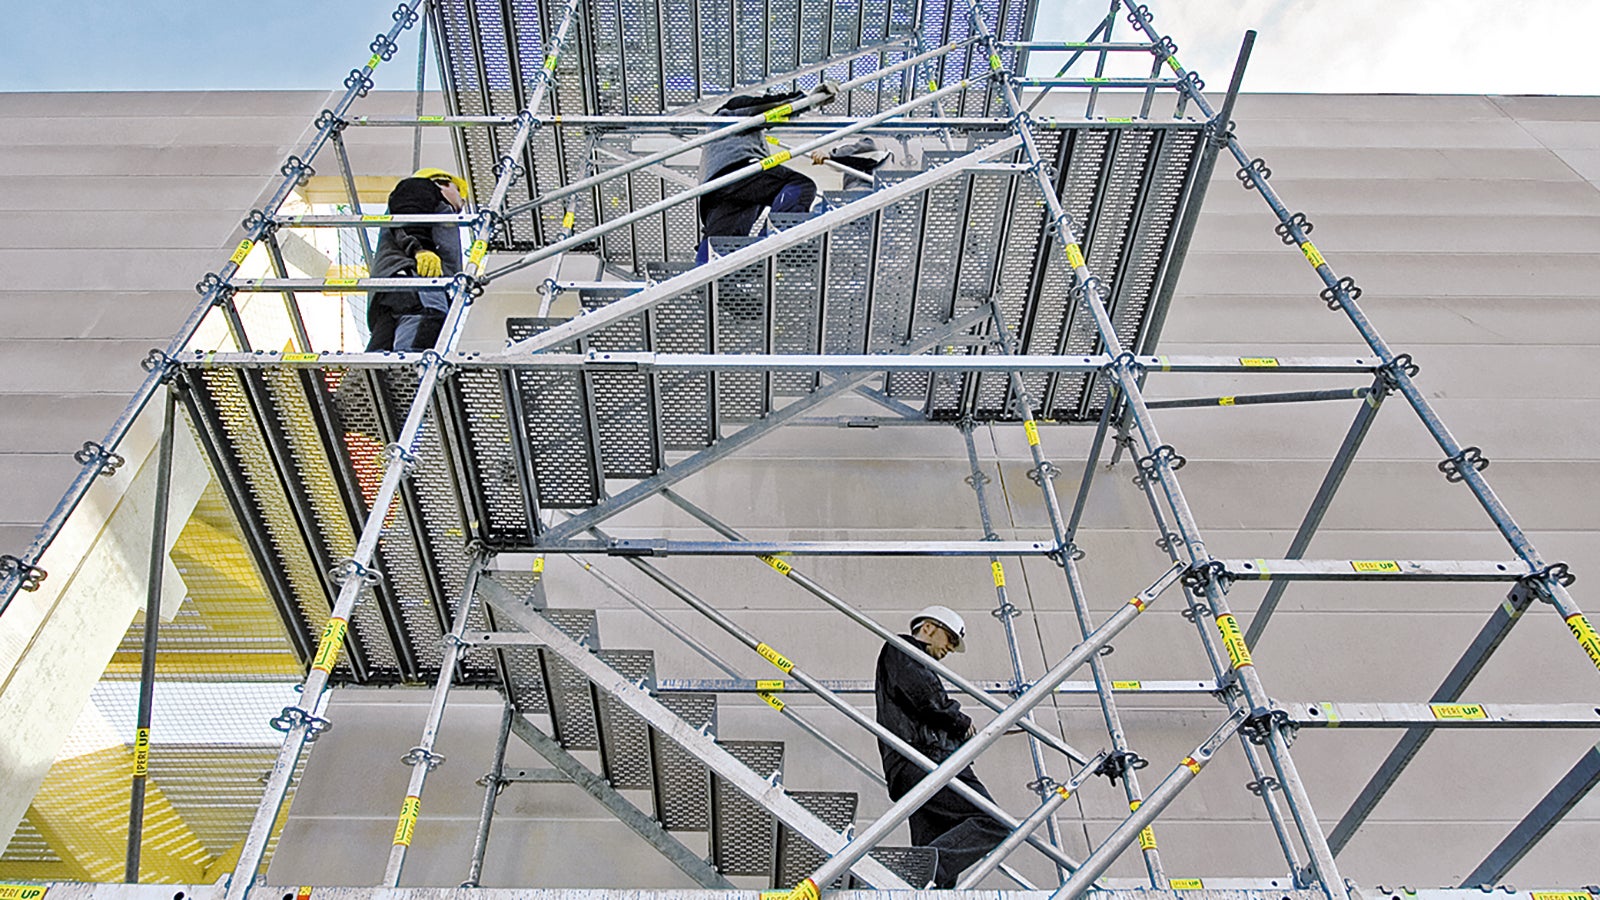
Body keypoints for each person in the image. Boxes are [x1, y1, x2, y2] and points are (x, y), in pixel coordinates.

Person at [875, 605, 1009, 888]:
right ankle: (913, 870)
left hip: (916, 764)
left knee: (933, 869)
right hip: (926, 761)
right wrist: (959, 721)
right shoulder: (903, 650)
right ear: (928, 628)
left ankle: (917, 880)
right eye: (949, 638)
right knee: (994, 822)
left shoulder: (912, 661)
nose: (950, 648)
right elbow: (924, 698)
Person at [696, 82, 837, 263]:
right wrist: (808, 100)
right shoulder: (731, 112)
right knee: (799, 185)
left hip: (715, 192)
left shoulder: (716, 139)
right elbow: (767, 108)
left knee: (720, 246)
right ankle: (777, 234)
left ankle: (705, 281)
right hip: (739, 170)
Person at [365, 167, 467, 352]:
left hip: (394, 288)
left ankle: (361, 379)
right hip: (417, 281)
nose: (463, 203)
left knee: (380, 352)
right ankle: (414, 376)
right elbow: (409, 214)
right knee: (421, 334)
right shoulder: (423, 187)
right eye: (459, 192)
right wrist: (421, 249)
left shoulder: (425, 197)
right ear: (443, 182)